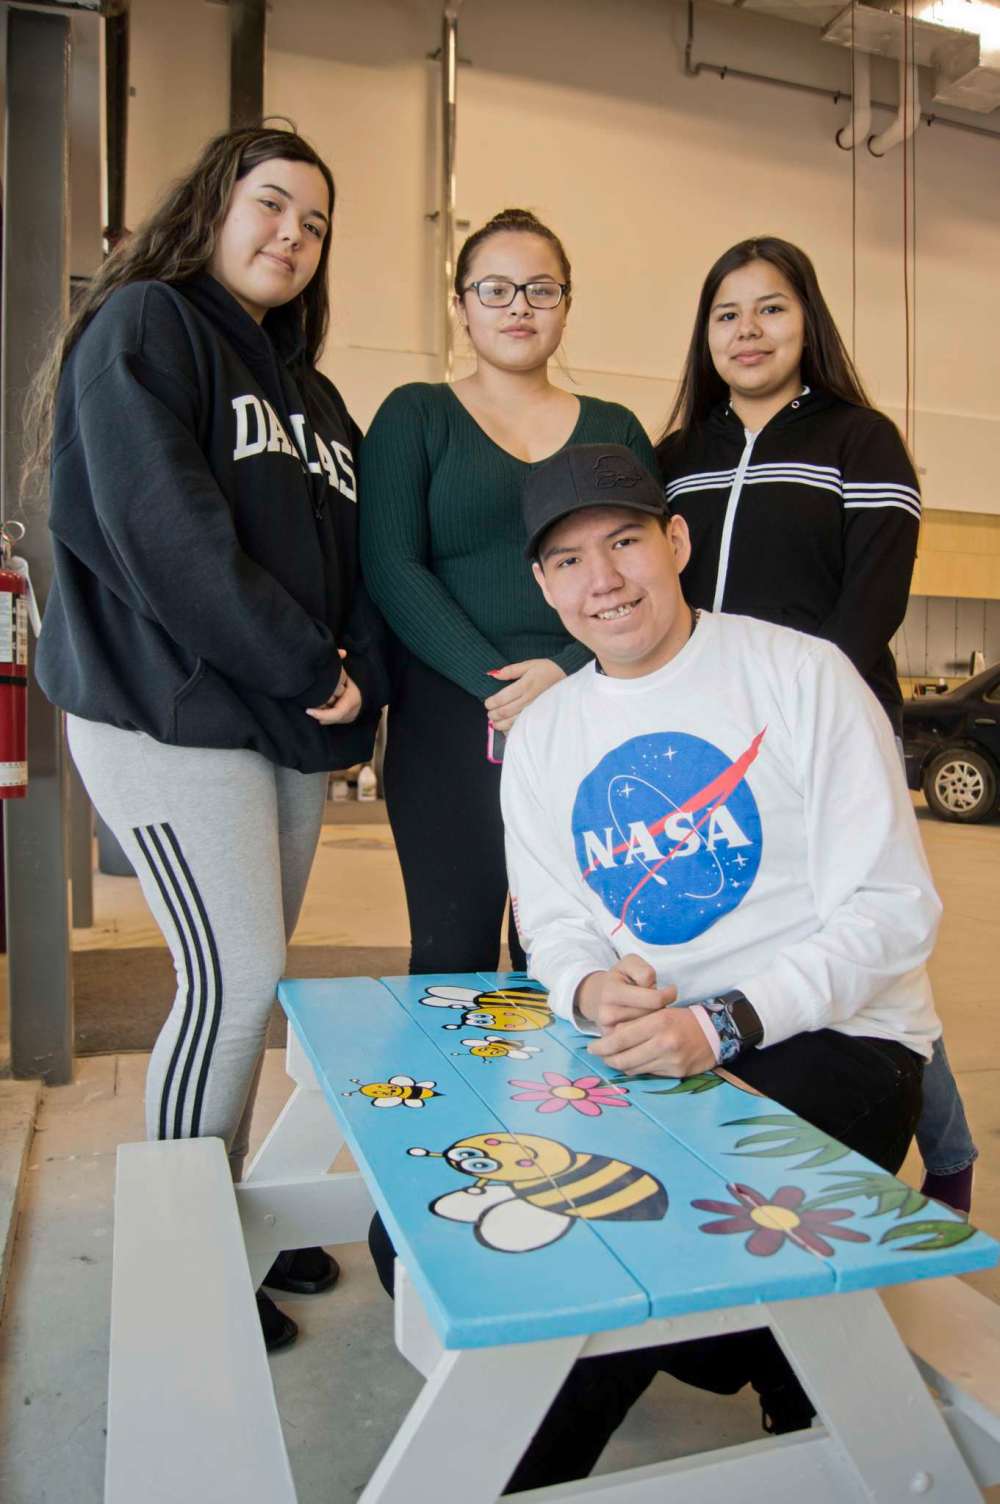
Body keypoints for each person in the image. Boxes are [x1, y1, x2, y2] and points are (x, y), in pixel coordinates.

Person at [491, 442, 939, 1490]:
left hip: (835, 1042)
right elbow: (552, 922)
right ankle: (767, 1347)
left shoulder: (800, 676)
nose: (601, 580)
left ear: (676, 540)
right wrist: (588, 985)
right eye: (566, 561)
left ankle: (522, 1465)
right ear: (542, 585)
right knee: (430, 1228)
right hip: (649, 1052)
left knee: (630, 1232)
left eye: (624, 542)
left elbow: (892, 908)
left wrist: (721, 1023)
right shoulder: (547, 732)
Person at [28, 125, 388, 1351]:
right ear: (214, 206)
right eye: (271, 204)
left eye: (316, 222)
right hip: (165, 710)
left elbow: (349, 564)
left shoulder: (318, 397)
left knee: (253, 987)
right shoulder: (144, 327)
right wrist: (307, 662)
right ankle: (178, 1260)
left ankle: (225, 1205)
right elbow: (162, 532)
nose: (291, 234)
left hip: (274, 728)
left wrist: (357, 681)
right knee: (226, 982)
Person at [655, 236, 975, 1213]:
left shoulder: (859, 440)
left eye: (770, 309)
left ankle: (948, 1150)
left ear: (809, 323)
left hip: (825, 742)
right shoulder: (672, 458)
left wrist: (798, 725)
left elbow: (867, 605)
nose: (747, 331)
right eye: (726, 313)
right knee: (738, 949)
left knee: (864, 950)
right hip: (706, 754)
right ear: (703, 334)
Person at [359, 208, 657, 975]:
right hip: (449, 725)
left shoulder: (614, 429)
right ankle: (461, 1101)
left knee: (575, 956)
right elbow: (392, 565)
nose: (518, 306)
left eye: (540, 288)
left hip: (589, 716)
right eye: (494, 289)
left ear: (566, 304)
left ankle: (562, 1102)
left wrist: (563, 670)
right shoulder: (415, 416)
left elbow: (643, 572)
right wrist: (499, 686)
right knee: (451, 953)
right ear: (460, 304)